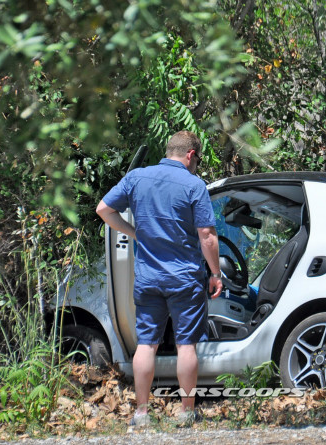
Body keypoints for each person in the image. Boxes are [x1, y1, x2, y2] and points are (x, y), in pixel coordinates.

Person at [96, 131, 223, 427]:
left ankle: (141, 413)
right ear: (190, 155)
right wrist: (215, 273)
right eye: (198, 159)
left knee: (146, 344)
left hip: (148, 278)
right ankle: (186, 411)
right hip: (185, 279)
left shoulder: (137, 178)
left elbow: (104, 209)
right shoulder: (194, 185)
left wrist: (133, 231)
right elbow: (207, 236)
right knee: (186, 345)